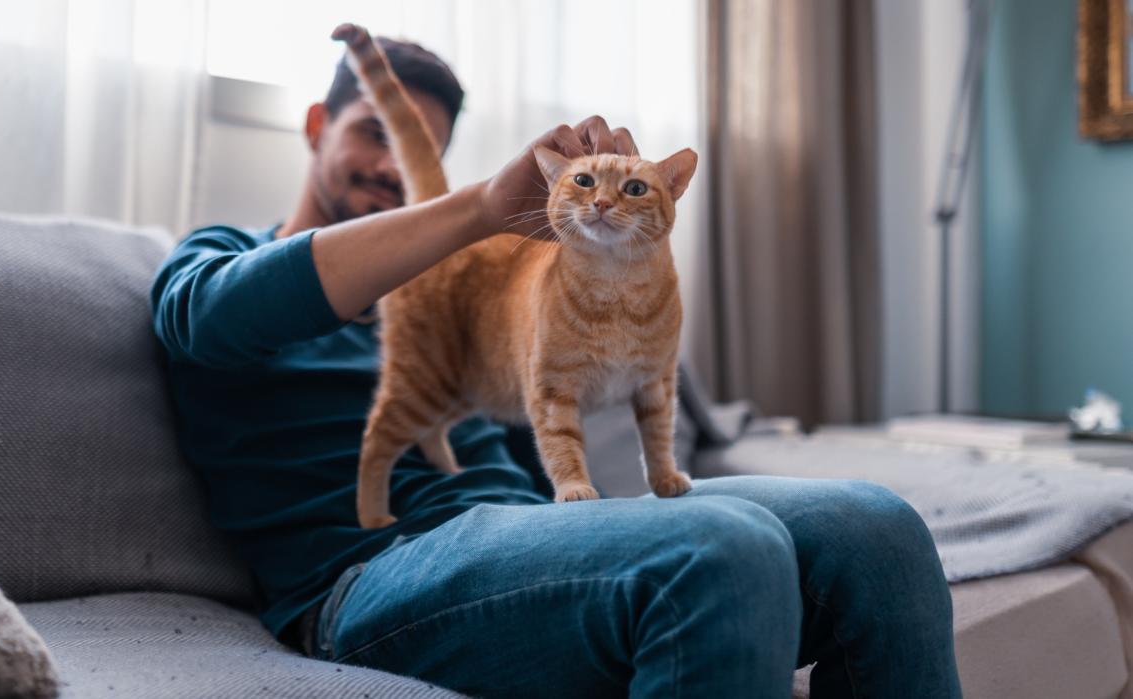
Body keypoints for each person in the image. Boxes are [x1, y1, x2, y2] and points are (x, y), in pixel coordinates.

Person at [149, 37, 962, 698]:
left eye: (423, 151)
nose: (397, 166)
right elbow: (213, 320)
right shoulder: (221, 255)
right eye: (377, 132)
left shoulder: (461, 283)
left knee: (877, 528)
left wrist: (600, 221)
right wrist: (469, 212)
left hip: (533, 529)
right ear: (318, 124)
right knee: (719, 547)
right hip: (368, 577)